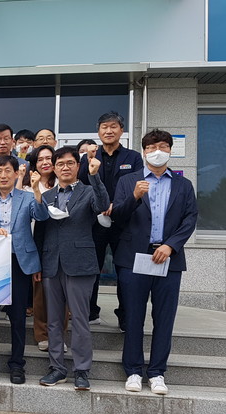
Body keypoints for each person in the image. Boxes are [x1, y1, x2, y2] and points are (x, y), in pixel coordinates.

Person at [111, 129, 197, 395]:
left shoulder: (183, 184)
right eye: (151, 147)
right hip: (133, 257)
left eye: (162, 146)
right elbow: (117, 217)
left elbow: (190, 218)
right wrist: (134, 197)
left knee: (164, 317)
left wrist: (171, 245)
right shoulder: (128, 180)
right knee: (133, 316)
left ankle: (157, 372)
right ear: (144, 152)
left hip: (168, 258)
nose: (157, 151)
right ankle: (133, 371)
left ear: (170, 150)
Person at [38, 146, 108, 391]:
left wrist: (95, 176)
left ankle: (81, 370)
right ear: (54, 168)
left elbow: (102, 205)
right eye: (60, 164)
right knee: (54, 320)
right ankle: (57, 368)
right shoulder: (47, 196)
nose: (65, 167)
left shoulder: (88, 191)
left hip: (80, 263)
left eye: (70, 163)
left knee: (79, 319)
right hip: (51, 263)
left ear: (78, 166)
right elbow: (41, 231)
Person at [0, 155, 48, 385]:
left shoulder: (27, 197)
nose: (3, 175)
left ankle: (17, 364)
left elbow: (42, 216)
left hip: (19, 262)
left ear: (16, 173)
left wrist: (36, 190)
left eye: (8, 171)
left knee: (17, 316)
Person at [77, 111, 144, 329]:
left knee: (124, 270)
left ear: (121, 130)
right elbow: (81, 185)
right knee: (91, 268)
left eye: (113, 126)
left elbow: (136, 185)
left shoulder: (133, 157)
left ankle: (125, 316)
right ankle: (90, 311)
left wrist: (116, 204)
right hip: (95, 222)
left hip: (123, 221)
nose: (108, 131)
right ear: (98, 131)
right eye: (104, 127)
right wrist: (88, 161)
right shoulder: (88, 157)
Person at [17, 145, 68, 353]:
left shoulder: (63, 184)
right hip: (34, 243)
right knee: (39, 295)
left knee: (60, 296)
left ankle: (59, 336)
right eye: (40, 159)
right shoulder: (29, 186)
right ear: (34, 164)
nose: (45, 162)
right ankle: (42, 334)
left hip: (60, 245)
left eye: (49, 158)